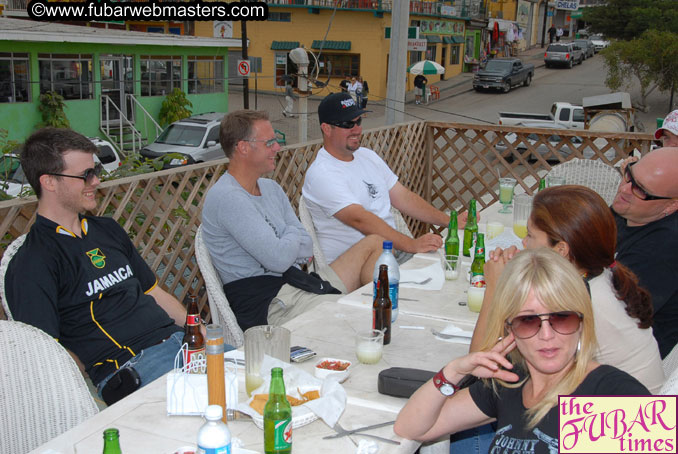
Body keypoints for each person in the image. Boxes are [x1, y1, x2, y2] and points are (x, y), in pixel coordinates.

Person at [394, 248, 650, 450]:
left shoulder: (606, 394)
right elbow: (412, 428)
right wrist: (453, 371)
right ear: (509, 328)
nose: (547, 335)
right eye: (528, 321)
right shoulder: (514, 381)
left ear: (582, 323)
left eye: (562, 318)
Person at [4, 128, 192, 398]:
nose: (95, 181)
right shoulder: (32, 262)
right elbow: (46, 352)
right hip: (133, 367)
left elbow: (152, 291)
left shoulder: (107, 229)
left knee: (264, 381)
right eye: (85, 175)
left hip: (181, 343)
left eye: (96, 172)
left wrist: (197, 329)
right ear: (49, 182)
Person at [201, 110, 383, 331]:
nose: (277, 148)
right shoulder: (227, 197)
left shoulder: (271, 188)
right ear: (243, 147)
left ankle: (372, 314)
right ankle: (366, 324)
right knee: (360, 314)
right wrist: (290, 234)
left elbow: (306, 248)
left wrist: (284, 240)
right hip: (270, 306)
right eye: (269, 142)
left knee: (375, 242)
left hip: (298, 284)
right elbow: (278, 260)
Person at [475, 186, 664, 392]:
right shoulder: (599, 275)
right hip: (638, 406)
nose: (523, 242)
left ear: (561, 250)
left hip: (618, 417)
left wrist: (493, 287)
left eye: (530, 236)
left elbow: (480, 366)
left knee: (490, 400)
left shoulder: (576, 299)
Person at [302, 92, 466, 264]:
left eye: (358, 121)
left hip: (392, 253)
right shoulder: (322, 174)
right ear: (326, 128)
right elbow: (360, 220)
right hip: (357, 267)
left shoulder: (367, 156)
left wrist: (450, 221)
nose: (357, 129)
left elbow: (404, 198)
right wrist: (411, 245)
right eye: (347, 123)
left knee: (456, 267)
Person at [611, 147, 678, 358]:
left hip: (625, 370)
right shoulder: (629, 211)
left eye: (640, 189)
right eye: (629, 175)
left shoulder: (660, 250)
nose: (624, 189)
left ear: (671, 206)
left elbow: (612, 321)